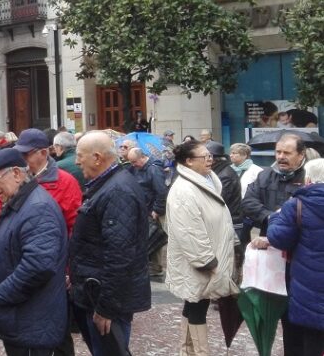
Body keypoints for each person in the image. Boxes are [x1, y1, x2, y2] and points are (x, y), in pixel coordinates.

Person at [0, 149, 68, 355]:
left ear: (16, 173)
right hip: (22, 317)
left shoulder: (37, 208)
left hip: (31, 321)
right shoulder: (20, 201)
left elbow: (38, 266)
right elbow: (13, 243)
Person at [70, 131, 151, 355]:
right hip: (96, 294)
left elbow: (120, 255)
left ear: (97, 157)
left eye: (80, 156)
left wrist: (106, 308)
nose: (76, 161)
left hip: (105, 300)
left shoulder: (117, 191)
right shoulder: (107, 185)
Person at [165, 140, 238, 356]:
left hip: (209, 257)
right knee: (197, 305)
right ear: (188, 162)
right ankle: (200, 352)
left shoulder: (207, 182)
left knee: (195, 304)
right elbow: (189, 232)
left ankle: (188, 351)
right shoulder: (185, 190)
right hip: (200, 262)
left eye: (210, 156)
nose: (210, 160)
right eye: (204, 157)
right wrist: (207, 261)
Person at [265, 158, 324, 356]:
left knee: (310, 339)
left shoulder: (297, 205)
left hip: (308, 285)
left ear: (308, 179)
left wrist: (275, 218)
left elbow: (279, 239)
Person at [242, 133, 307, 233]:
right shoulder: (264, 175)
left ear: (301, 155)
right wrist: (269, 216)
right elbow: (248, 202)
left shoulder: (309, 177)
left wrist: (286, 219)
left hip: (299, 240)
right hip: (268, 236)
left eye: (287, 153)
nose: (281, 156)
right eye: (278, 152)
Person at [126, 147, 169, 278]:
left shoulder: (153, 169)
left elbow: (161, 191)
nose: (133, 165)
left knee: (156, 237)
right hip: (146, 208)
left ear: (142, 157)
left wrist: (157, 209)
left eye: (134, 162)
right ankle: (153, 266)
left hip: (152, 210)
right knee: (152, 236)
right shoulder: (138, 168)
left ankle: (156, 267)